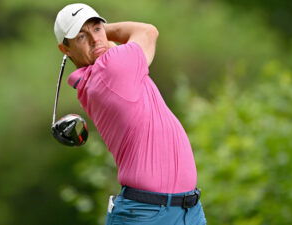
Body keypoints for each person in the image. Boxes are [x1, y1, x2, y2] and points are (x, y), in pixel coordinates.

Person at [54, 3, 207, 225]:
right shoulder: (111, 68)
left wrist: (96, 35)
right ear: (65, 49)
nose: (96, 39)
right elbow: (148, 31)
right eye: (80, 37)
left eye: (97, 29)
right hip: (147, 214)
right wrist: (106, 32)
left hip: (187, 210)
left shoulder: (103, 72)